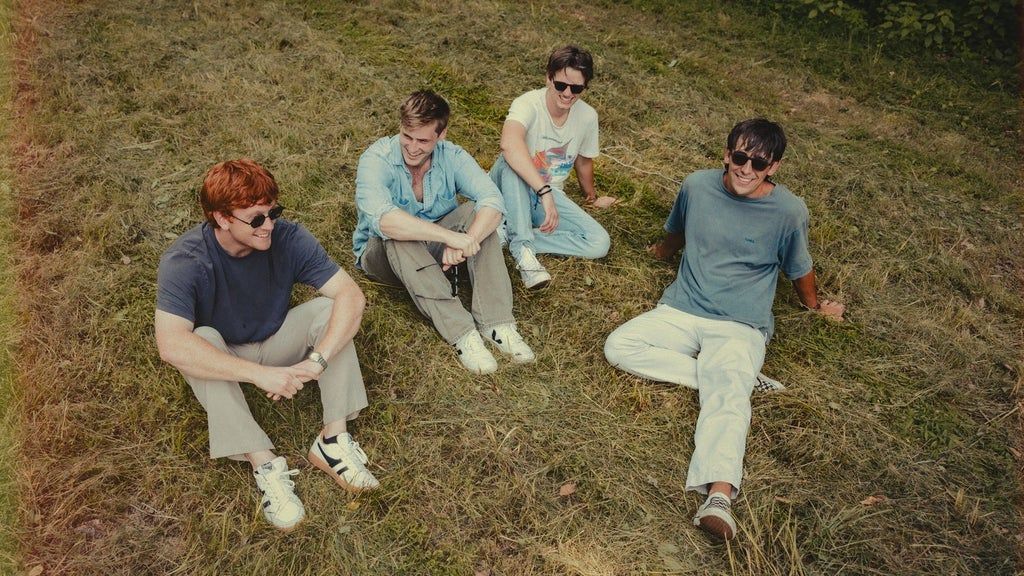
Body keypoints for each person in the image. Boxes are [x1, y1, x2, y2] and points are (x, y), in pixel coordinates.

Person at [603, 119, 845, 540]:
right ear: (727, 154)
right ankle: (737, 378)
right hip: (682, 308)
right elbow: (677, 231)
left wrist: (816, 305)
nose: (746, 169)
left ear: (774, 167)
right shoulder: (696, 186)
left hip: (739, 324)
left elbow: (799, 268)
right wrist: (660, 252)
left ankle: (718, 498)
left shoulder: (789, 211)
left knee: (727, 402)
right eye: (740, 157)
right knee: (619, 346)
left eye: (759, 163)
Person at [155, 159, 379, 532]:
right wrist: (259, 375)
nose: (269, 225)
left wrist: (318, 361)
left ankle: (333, 440)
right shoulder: (186, 260)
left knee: (330, 310)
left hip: (277, 338)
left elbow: (351, 296)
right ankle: (264, 463)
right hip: (225, 352)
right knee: (198, 343)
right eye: (256, 219)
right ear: (222, 218)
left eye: (272, 212)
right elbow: (170, 344)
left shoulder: (288, 238)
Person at [353, 90, 536, 375]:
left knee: (478, 214)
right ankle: (463, 333)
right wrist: (450, 238)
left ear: (441, 135)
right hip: (384, 256)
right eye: (407, 136)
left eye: (423, 141)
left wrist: (468, 239)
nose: (412, 148)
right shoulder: (377, 158)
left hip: (436, 249)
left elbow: (492, 201)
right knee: (398, 232)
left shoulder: (452, 156)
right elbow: (385, 221)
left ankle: (497, 324)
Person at [489, 45, 611, 289]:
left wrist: (591, 198)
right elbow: (509, 144)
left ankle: (510, 233)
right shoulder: (528, 103)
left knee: (599, 242)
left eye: (576, 88)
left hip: (547, 197)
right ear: (548, 78)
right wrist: (544, 192)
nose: (567, 93)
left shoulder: (588, 116)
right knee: (514, 161)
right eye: (561, 85)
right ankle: (524, 252)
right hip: (511, 185)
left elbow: (584, 161)